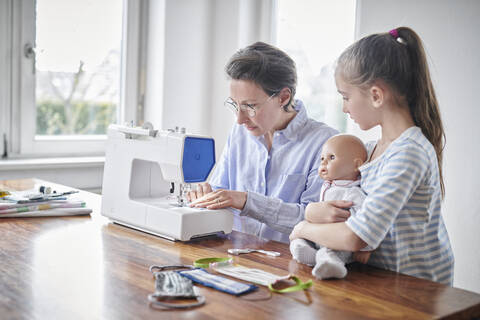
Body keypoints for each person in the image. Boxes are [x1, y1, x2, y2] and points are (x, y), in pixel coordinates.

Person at [289, 27, 454, 285]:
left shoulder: (409, 153)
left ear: (376, 95)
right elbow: (338, 201)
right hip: (381, 282)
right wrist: (313, 210)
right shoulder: (368, 151)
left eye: (346, 97)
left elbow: (358, 236)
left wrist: (301, 228)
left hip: (417, 290)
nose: (344, 108)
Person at [188, 42, 337, 243]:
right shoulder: (240, 132)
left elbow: (316, 222)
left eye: (250, 106)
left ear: (283, 97)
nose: (239, 119)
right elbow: (220, 192)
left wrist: (248, 201)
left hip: (289, 265)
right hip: (235, 257)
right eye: (235, 105)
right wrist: (206, 197)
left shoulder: (325, 143)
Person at [290, 134, 368, 279]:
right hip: (319, 235)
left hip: (338, 241)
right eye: (322, 159)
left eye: (331, 157)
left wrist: (367, 248)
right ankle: (310, 254)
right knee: (297, 242)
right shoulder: (327, 186)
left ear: (356, 165)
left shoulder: (353, 193)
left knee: (331, 252)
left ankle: (330, 265)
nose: (324, 162)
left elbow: (368, 222)